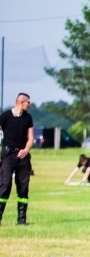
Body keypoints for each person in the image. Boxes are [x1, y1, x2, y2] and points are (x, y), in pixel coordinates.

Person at [0, 93, 34, 225]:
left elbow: (30, 137)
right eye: (28, 102)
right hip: (8, 155)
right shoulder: (5, 116)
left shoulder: (28, 118)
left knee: (23, 187)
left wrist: (26, 150)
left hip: (23, 157)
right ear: (21, 102)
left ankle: (21, 219)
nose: (29, 105)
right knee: (4, 185)